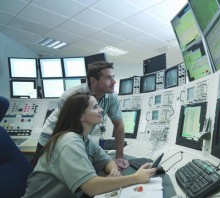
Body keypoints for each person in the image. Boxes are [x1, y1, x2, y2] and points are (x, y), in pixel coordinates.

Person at [23, 93, 156, 197]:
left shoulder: (85, 138)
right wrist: (136, 178)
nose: (101, 109)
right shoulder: (69, 141)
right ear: (81, 117)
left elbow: (106, 161)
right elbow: (91, 187)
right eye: (95, 107)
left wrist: (113, 171)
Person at [32, 61, 128, 169]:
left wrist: (119, 157)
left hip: (78, 139)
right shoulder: (70, 96)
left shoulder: (112, 97)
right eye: (108, 77)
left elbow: (119, 125)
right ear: (93, 81)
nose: (114, 81)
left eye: (113, 77)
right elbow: (67, 130)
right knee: (42, 174)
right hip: (52, 137)